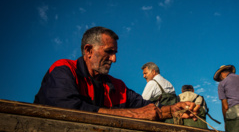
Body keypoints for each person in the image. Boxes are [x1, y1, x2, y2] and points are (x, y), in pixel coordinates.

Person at [34, 26, 198, 121]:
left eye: (115, 53)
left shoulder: (116, 86)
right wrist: (134, 115)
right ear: (89, 50)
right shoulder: (64, 69)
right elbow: (66, 109)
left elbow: (143, 105)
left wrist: (173, 109)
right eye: (109, 52)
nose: (114, 59)